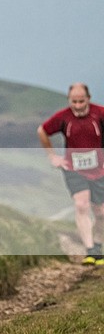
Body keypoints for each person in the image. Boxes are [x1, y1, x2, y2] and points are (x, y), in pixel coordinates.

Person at [38, 83, 104, 265]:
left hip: (99, 169)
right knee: (81, 205)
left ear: (88, 99)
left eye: (81, 101)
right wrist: (53, 157)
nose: (77, 105)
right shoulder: (63, 117)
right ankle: (91, 251)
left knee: (101, 212)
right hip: (74, 169)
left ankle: (98, 246)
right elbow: (42, 131)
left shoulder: (99, 114)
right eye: (73, 102)